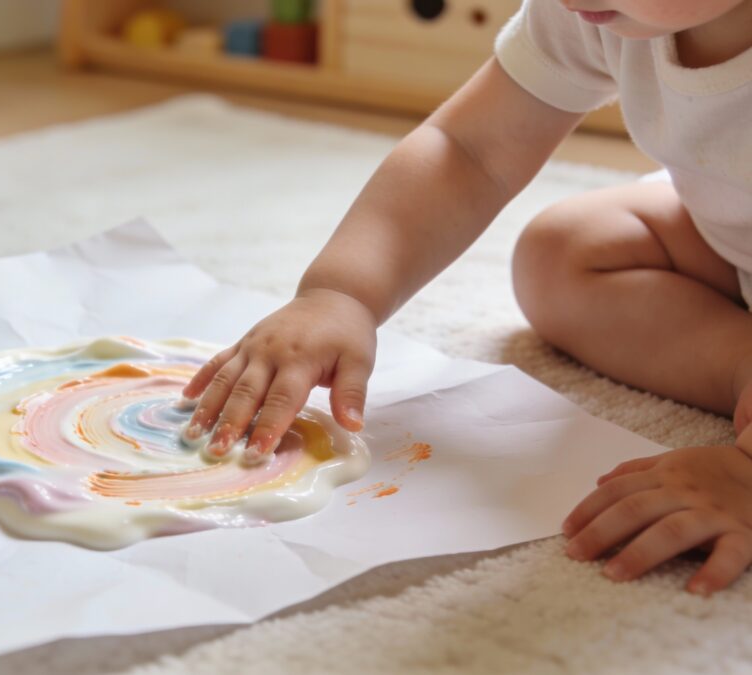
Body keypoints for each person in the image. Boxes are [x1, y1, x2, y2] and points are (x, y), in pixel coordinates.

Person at [181, 0, 752, 595]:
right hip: (728, 234)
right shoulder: (587, 13)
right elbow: (469, 151)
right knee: (561, 253)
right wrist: (341, 292)